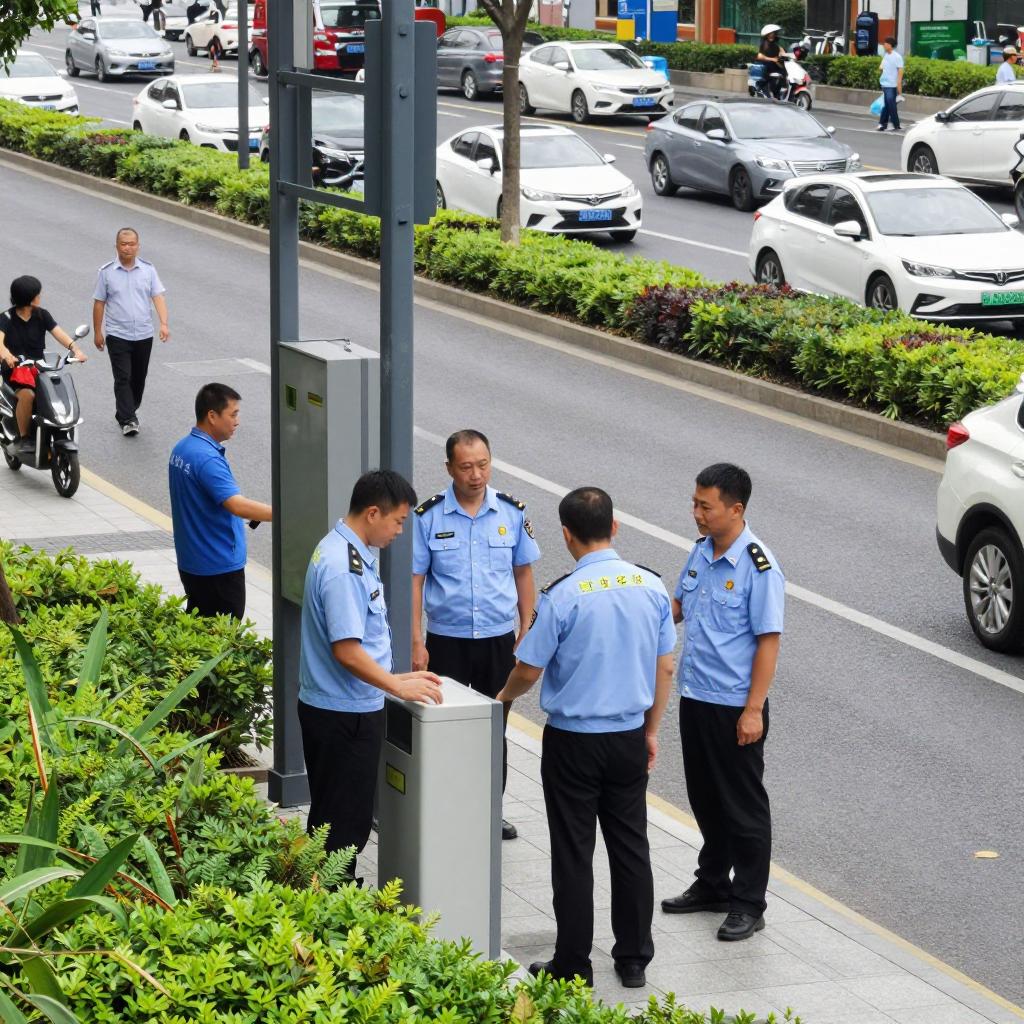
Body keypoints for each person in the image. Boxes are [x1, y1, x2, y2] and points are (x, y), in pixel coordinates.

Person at [497, 487, 675, 990]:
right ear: (615, 527)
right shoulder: (651, 587)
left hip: (574, 742)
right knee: (631, 847)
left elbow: (528, 670)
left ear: (567, 535)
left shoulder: (563, 595)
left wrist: (500, 699)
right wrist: (652, 731)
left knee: (573, 851)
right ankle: (635, 957)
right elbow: (665, 666)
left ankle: (573, 961)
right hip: (627, 737)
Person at [298, 469, 445, 879]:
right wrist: (396, 684)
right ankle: (332, 910)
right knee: (343, 827)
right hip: (345, 714)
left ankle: (324, 897)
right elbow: (347, 650)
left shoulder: (346, 551)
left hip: (339, 707)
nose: (401, 531)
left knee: (333, 818)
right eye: (399, 521)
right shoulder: (343, 567)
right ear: (374, 513)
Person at [660, 464, 785, 943]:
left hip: (735, 705)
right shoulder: (699, 553)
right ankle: (712, 883)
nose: (696, 513)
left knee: (743, 807)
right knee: (706, 798)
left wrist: (754, 709)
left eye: (704, 506)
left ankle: (749, 902)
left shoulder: (758, 567)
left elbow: (768, 642)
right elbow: (677, 609)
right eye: (694, 503)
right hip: (696, 696)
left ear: (736, 509)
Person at [411, 429, 540, 841]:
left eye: (483, 464)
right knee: (443, 726)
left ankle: (489, 810)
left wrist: (526, 629)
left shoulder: (510, 513)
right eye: (466, 466)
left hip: (497, 640)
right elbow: (415, 581)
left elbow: (523, 572)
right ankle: (443, 806)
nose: (476, 474)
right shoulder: (428, 516)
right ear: (449, 468)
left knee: (492, 727)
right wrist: (417, 640)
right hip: (446, 641)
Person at [168, 383, 272, 620]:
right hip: (218, 568)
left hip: (192, 563)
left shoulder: (182, 449)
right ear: (212, 416)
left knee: (199, 634)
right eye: (232, 414)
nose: (237, 421)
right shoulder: (207, 459)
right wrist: (283, 513)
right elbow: (236, 505)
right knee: (222, 643)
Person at [92, 227, 169, 437]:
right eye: (123, 244)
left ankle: (126, 410)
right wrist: (98, 332)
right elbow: (99, 303)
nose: (128, 248)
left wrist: (163, 323)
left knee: (138, 377)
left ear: (138, 246)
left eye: (132, 244)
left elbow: (158, 297)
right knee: (123, 377)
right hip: (117, 334)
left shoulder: (148, 270)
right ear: (116, 246)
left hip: (143, 334)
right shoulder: (106, 272)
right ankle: (128, 419)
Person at [0, 275, 86, 456]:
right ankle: (24, 438)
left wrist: (75, 349)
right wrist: (7, 355)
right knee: (28, 396)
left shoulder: (42, 315)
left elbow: (59, 333)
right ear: (28, 298)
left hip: (37, 369)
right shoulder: (6, 318)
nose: (40, 296)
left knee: (53, 393)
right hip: (16, 371)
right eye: (37, 294)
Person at [877, 36, 904, 131]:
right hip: (885, 85)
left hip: (892, 85)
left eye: (885, 43)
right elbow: (881, 67)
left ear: (889, 45)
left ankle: (887, 124)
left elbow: (900, 73)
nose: (884, 45)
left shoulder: (897, 57)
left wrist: (899, 90)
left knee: (890, 105)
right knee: (889, 105)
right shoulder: (886, 55)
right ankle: (886, 124)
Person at [756, 24, 784, 99]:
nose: (772, 35)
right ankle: (761, 88)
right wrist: (772, 59)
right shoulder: (763, 44)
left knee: (783, 73)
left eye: (773, 33)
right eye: (770, 34)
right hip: (767, 66)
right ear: (767, 35)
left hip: (775, 67)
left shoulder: (776, 45)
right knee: (769, 75)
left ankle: (778, 94)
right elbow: (759, 56)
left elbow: (781, 53)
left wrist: (783, 54)